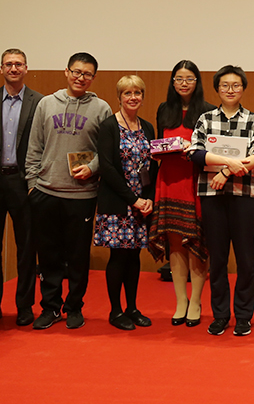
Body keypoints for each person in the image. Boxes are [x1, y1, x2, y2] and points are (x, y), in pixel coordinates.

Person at [25, 52, 112, 331]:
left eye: (87, 74)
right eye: (76, 71)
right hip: (46, 192)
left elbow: (108, 151)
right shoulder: (46, 104)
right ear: (66, 71)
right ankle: (50, 307)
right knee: (48, 255)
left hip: (82, 195)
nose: (80, 77)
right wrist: (32, 185)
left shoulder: (101, 108)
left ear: (93, 78)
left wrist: (93, 168)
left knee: (77, 257)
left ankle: (74, 307)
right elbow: (34, 146)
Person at [187, 65, 254, 337]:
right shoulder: (206, 119)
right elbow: (195, 152)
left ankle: (243, 316)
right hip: (212, 196)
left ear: (243, 88)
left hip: (244, 196)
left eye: (235, 85)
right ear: (217, 89)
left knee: (246, 259)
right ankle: (220, 315)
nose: (230, 90)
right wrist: (229, 162)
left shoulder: (253, 120)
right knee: (218, 259)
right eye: (225, 86)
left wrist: (224, 171)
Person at [0, 48, 43, 328]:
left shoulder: (39, 102)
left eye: (18, 64)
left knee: (27, 246)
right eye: (8, 64)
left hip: (23, 181)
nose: (13, 68)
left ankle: (25, 306)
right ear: (1, 68)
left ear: (26, 68)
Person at [148, 60, 215, 327]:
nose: (184, 83)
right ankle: (180, 301)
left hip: (195, 181)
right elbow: (158, 143)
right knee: (175, 242)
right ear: (172, 82)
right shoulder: (164, 109)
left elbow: (212, 150)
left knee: (195, 241)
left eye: (189, 79)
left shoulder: (208, 110)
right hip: (169, 180)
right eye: (179, 79)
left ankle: (196, 300)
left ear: (197, 82)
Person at [94, 75, 159, 331]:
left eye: (137, 93)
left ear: (143, 96)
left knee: (134, 256)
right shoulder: (109, 126)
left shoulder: (148, 127)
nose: (133, 97)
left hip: (142, 203)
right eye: (127, 93)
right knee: (118, 256)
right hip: (118, 202)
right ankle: (116, 310)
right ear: (119, 97)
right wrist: (133, 200)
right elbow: (107, 168)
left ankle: (132, 307)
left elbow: (152, 166)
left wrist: (149, 198)